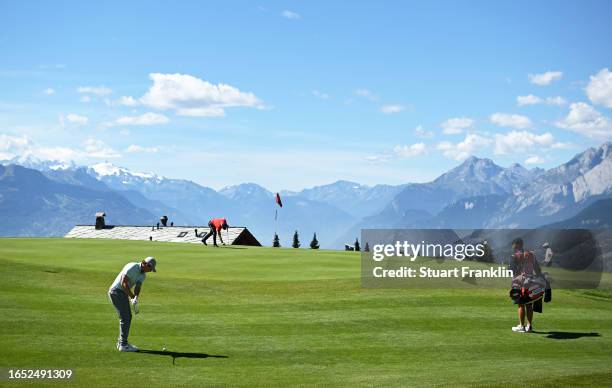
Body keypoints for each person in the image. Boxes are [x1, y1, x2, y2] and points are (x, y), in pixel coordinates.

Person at [108, 257, 157, 352]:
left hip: (122, 293)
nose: (150, 271)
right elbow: (123, 283)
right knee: (126, 317)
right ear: (144, 263)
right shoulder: (133, 266)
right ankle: (123, 344)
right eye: (150, 268)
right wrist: (131, 297)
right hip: (116, 292)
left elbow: (137, 287)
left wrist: (135, 297)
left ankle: (121, 342)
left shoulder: (143, 275)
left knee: (126, 317)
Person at [509, 238, 542, 333]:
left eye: (513, 244)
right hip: (530, 281)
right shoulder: (531, 254)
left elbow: (511, 270)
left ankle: (521, 326)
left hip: (519, 283)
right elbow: (538, 270)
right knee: (529, 304)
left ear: (517, 244)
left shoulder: (514, 256)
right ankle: (529, 327)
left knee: (520, 304)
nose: (512, 247)